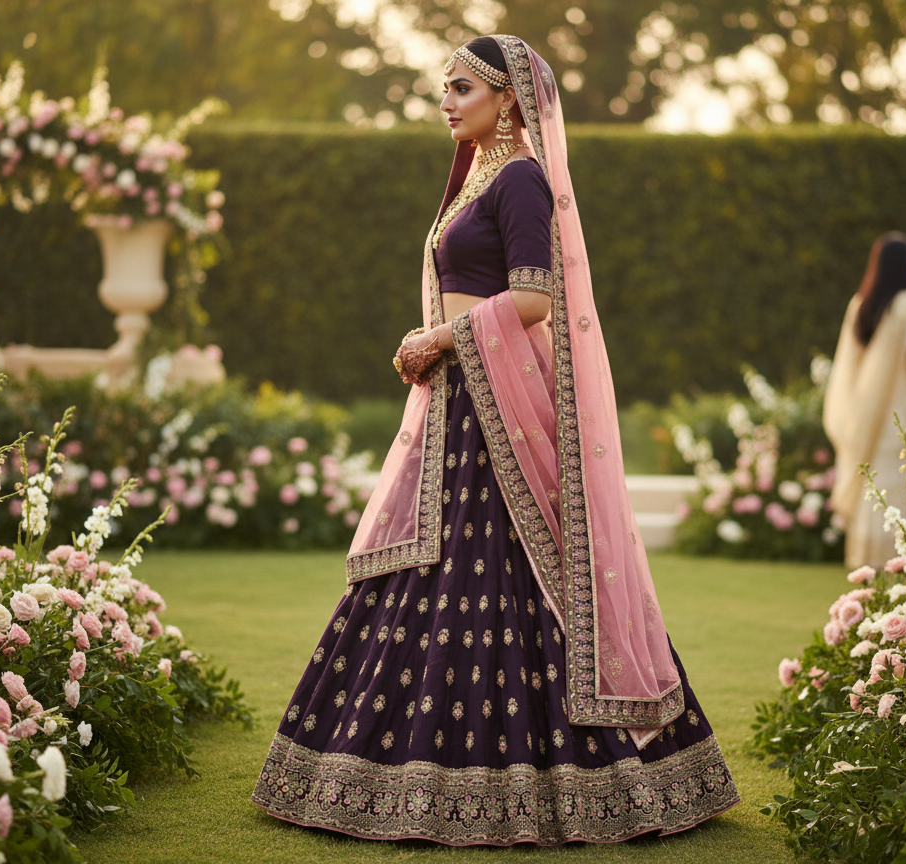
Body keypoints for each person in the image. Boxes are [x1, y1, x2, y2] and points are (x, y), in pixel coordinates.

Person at [251, 35, 738, 845]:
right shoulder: (476, 174)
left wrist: (441, 339)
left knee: (500, 569)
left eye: (461, 89)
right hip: (460, 405)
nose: (445, 101)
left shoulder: (520, 177)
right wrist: (435, 345)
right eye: (444, 89)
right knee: (432, 563)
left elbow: (535, 298)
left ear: (507, 98)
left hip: (492, 412)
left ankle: (574, 783)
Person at [824, 232, 906, 568]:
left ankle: (867, 561)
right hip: (901, 415)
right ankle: (903, 563)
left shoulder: (861, 303)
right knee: (902, 488)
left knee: (873, 488)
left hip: (866, 415)